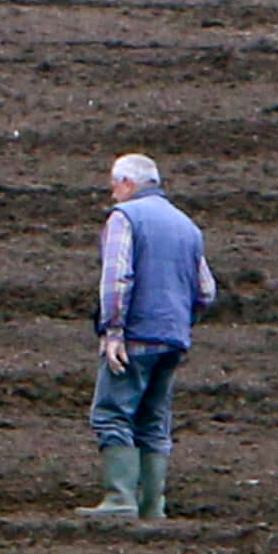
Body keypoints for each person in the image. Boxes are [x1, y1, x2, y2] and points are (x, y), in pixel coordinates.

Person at [81, 151, 215, 524]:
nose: (112, 195)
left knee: (111, 413)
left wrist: (113, 331)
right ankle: (153, 506)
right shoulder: (187, 226)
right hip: (173, 339)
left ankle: (120, 498)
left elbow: (116, 279)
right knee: (154, 420)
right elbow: (206, 291)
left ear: (127, 183)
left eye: (113, 186)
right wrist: (179, 323)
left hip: (135, 335)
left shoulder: (125, 218)